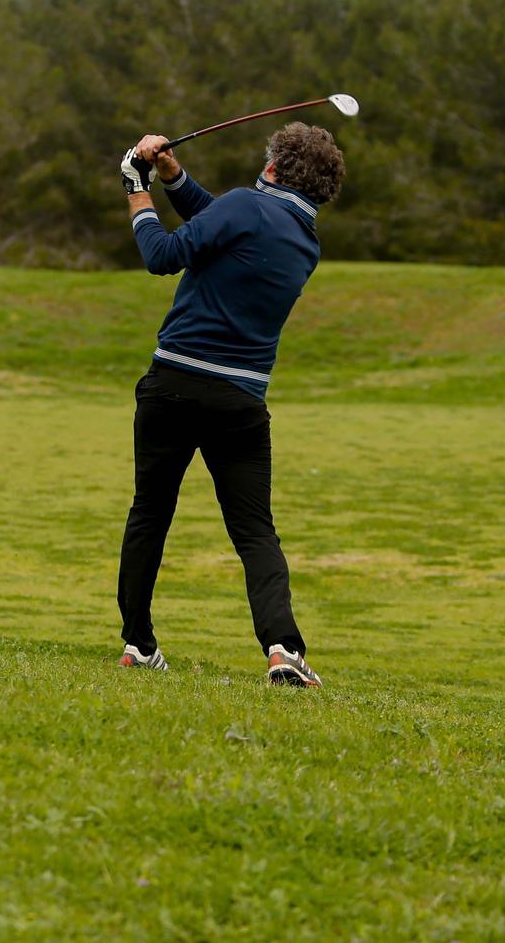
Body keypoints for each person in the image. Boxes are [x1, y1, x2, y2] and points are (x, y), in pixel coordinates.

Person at [114, 122, 345, 687]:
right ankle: (283, 649)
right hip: (239, 403)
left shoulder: (245, 207)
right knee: (255, 533)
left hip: (171, 387)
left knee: (151, 514)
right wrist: (175, 178)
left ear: (271, 167)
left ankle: (139, 645)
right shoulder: (302, 240)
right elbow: (228, 224)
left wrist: (135, 185)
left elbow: (163, 255)